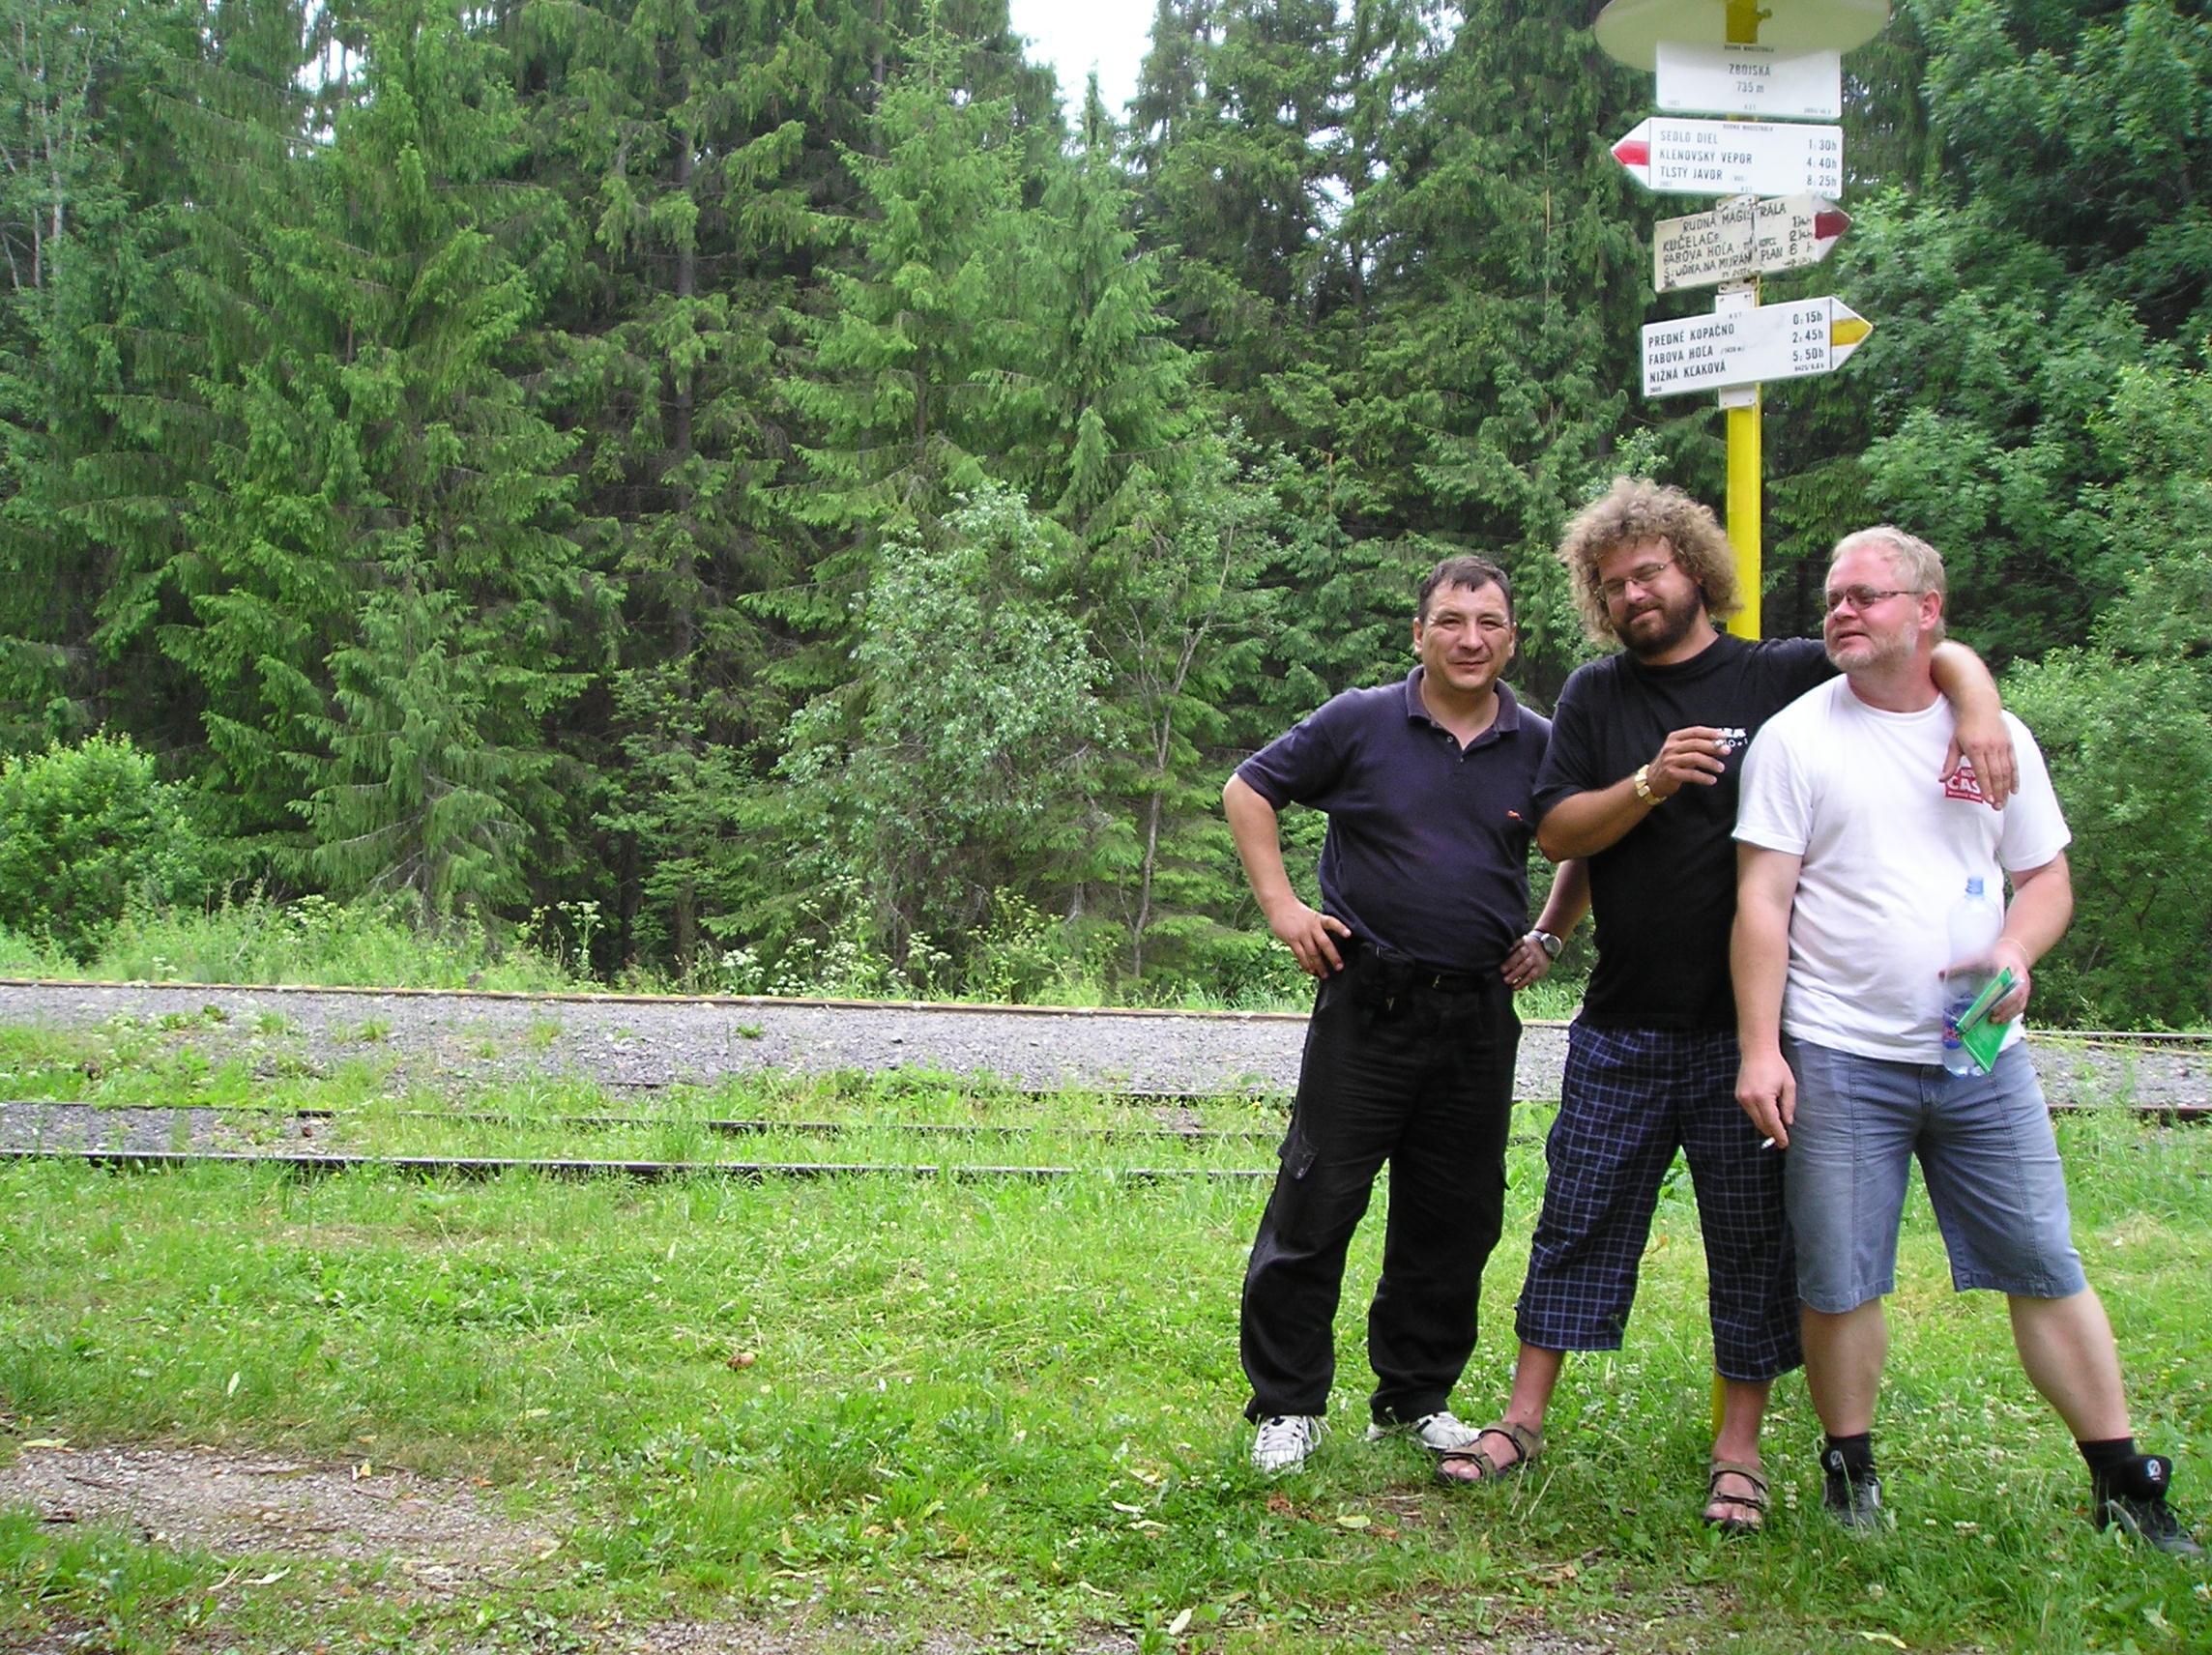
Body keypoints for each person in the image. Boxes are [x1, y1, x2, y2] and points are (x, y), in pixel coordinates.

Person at [1441, 480, 2013, 1536]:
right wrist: (1650, 782)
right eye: (1612, 583)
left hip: (1754, 1034)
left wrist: (1974, 702)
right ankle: (1520, 1420)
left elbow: (1917, 654)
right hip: (1621, 1021)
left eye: (1648, 573)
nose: (1632, 594)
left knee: (1751, 1243)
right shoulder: (1596, 695)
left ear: (1694, 570)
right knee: (1576, 1220)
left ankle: (1738, 1451)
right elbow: (1557, 832)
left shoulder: (1778, 672)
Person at [1732, 526, 2201, 1555]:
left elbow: (2045, 878)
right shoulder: (1796, 738)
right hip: (1840, 1051)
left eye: (1867, 595)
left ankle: (2122, 1478)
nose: (1842, 611)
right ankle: (1850, 1470)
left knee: (2042, 1259)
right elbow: (1761, 900)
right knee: (1840, 1275)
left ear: (1927, 611)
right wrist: (1762, 1048)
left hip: (1981, 1050)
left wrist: (2016, 952)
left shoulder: (1995, 735)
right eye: (1834, 596)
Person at [1226, 554, 1588, 1474]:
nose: (1471, 639)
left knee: (1454, 1216)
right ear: (1419, 633)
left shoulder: (1541, 743)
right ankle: (1287, 1405)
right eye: (1452, 622)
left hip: (1477, 1016)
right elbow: (1248, 789)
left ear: (1513, 639)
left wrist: (1550, 933)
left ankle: (1415, 1398)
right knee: (1315, 1203)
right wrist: (1283, 908)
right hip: (1368, 1003)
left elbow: (1586, 838)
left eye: (1490, 623)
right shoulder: (1361, 720)